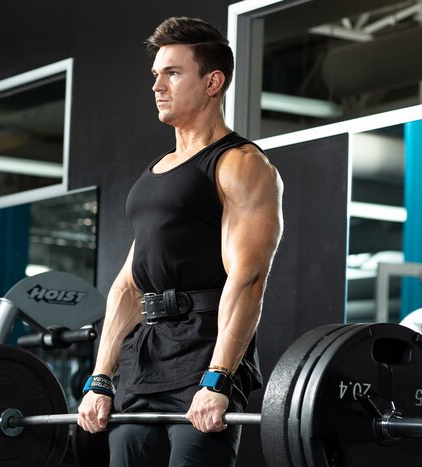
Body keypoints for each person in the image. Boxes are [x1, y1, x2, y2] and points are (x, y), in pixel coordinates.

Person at [77, 16, 284, 466]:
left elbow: (248, 278)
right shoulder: (156, 172)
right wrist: (101, 377)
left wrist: (219, 377)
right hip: (144, 360)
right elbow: (130, 286)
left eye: (172, 72)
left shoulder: (240, 164)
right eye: (155, 74)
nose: (157, 85)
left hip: (201, 357)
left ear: (213, 82)